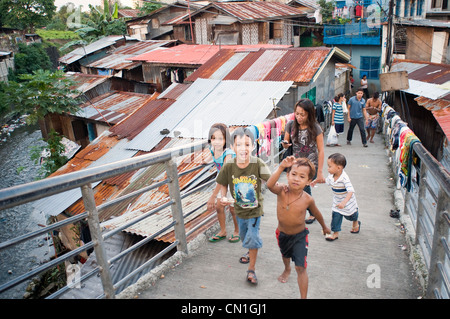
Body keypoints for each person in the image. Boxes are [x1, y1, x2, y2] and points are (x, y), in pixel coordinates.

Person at [267, 156, 331, 299]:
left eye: (302, 177)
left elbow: (317, 213)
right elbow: (269, 185)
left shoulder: (308, 199)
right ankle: (286, 269)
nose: (296, 179)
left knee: (300, 267)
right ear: (288, 175)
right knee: (285, 255)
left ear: (308, 181)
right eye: (293, 174)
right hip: (282, 234)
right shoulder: (281, 190)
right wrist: (282, 167)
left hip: (300, 236)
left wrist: (325, 227)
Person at [216, 127, 272, 285]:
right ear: (233, 148)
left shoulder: (258, 163)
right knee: (243, 236)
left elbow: (271, 180)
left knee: (253, 237)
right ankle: (249, 249)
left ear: (253, 146)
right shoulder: (229, 166)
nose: (243, 148)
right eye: (239, 145)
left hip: (255, 210)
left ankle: (251, 269)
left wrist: (281, 187)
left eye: (247, 145)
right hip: (239, 210)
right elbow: (223, 183)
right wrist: (223, 197)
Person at [281, 98, 325, 224]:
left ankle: (309, 213)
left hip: (311, 165)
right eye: (297, 113)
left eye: (302, 114)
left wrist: (320, 172)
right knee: (299, 189)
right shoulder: (290, 125)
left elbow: (321, 150)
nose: (299, 117)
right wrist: (284, 144)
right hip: (295, 165)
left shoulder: (316, 128)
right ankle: (307, 212)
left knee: (303, 189)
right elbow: (286, 142)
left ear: (309, 114)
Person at [205, 123, 240, 243]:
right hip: (221, 180)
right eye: (214, 138)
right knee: (219, 207)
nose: (217, 142)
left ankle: (237, 231)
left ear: (226, 139)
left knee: (232, 209)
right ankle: (223, 231)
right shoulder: (213, 149)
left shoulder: (228, 153)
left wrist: (213, 196)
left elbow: (224, 175)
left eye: (221, 138)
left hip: (233, 182)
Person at [322, 153, 360, 241]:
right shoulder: (331, 175)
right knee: (336, 216)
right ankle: (335, 233)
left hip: (348, 202)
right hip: (337, 201)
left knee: (352, 215)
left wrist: (344, 202)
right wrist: (316, 181)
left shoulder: (344, 178)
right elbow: (326, 181)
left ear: (339, 168)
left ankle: (356, 222)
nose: (328, 169)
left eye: (330, 166)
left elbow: (350, 191)